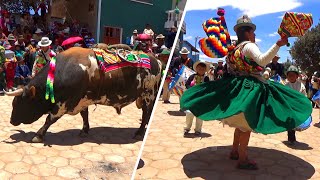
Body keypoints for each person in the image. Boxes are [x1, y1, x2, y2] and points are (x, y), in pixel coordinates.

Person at [180, 14, 312, 170]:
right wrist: (278, 44)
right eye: (253, 32)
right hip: (250, 90)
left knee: (240, 125)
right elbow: (262, 60)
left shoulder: (233, 50)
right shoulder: (249, 46)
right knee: (247, 124)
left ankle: (235, 151)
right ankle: (243, 159)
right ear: (248, 33)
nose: (255, 35)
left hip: (237, 89)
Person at [184, 60, 210, 136]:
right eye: (199, 69)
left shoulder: (206, 78)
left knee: (200, 115)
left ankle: (198, 130)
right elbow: (187, 84)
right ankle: (187, 128)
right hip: (192, 98)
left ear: (205, 70)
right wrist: (191, 90)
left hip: (201, 99)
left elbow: (208, 87)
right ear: (197, 69)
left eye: (203, 69)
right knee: (189, 113)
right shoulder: (192, 76)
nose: (201, 70)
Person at [285, 65, 307, 145]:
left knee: (295, 123)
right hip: (289, 108)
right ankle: (291, 139)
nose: (291, 77)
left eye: (293, 75)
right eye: (289, 75)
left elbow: (304, 97)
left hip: (297, 108)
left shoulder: (301, 86)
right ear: (287, 76)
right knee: (290, 123)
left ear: (297, 76)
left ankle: (292, 137)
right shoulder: (286, 86)